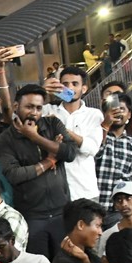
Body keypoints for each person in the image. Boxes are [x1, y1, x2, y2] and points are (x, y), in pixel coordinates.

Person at [0, 85, 78, 259]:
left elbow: (70, 153)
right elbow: (14, 175)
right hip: (32, 217)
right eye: (29, 107)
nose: (34, 112)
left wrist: (35, 137)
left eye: (38, 108)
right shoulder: (6, 139)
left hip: (62, 212)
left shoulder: (53, 124)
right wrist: (50, 160)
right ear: (16, 106)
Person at [45, 66, 103, 201]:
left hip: (84, 190)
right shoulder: (48, 110)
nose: (69, 88)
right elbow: (16, 116)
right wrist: (42, 91)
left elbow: (91, 148)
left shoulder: (93, 114)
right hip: (54, 191)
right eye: (65, 84)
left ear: (84, 88)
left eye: (75, 84)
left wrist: (65, 131)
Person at [94, 93, 132, 209]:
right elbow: (94, 156)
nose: (118, 112)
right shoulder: (95, 135)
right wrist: (105, 126)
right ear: (106, 113)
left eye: (122, 109)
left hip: (119, 209)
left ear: (129, 114)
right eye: (113, 109)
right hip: (94, 204)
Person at [54, 199, 105, 263]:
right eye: (97, 226)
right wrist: (85, 261)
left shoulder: (92, 256)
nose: (100, 232)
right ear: (81, 225)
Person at [99, 181, 132, 255]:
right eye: (118, 200)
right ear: (115, 205)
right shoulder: (108, 235)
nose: (124, 204)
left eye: (128, 198)